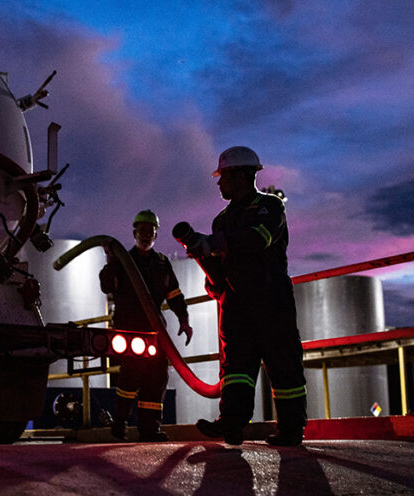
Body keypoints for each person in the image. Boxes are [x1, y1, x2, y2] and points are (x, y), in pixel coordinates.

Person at [186, 146, 306, 446]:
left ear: (242, 175)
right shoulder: (222, 220)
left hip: (270, 300)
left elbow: (259, 238)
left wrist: (213, 243)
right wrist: (211, 273)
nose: (218, 183)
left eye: (223, 175)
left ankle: (291, 429)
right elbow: (222, 261)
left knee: (282, 363)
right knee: (236, 368)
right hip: (236, 304)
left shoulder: (270, 207)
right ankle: (232, 424)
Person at [100, 209, 193, 442]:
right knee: (131, 374)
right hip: (129, 328)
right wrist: (112, 260)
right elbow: (105, 286)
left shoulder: (162, 263)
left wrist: (184, 319)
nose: (145, 235)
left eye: (150, 231)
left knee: (157, 376)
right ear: (134, 232)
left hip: (155, 330)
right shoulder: (123, 261)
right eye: (142, 231)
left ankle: (149, 428)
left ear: (155, 235)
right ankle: (120, 423)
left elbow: (174, 295)